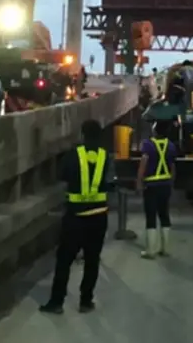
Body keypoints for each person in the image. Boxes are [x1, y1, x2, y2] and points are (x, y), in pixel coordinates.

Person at [40, 119, 114, 315]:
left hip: (76, 216)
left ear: (83, 134)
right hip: (99, 215)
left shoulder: (74, 154)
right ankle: (86, 301)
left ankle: (57, 302)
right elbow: (110, 182)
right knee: (92, 259)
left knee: (64, 259)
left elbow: (62, 175)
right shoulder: (105, 156)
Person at [137, 119, 176, 257]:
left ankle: (150, 250)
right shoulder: (171, 146)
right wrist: (171, 182)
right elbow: (172, 167)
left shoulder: (148, 145)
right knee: (164, 214)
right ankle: (165, 249)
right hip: (165, 185)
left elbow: (144, 163)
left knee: (151, 216)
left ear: (155, 130)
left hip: (151, 185)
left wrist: (139, 181)